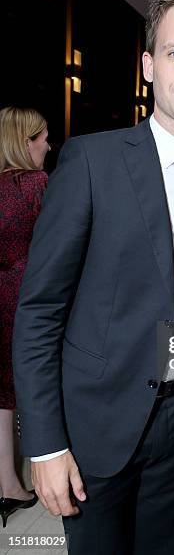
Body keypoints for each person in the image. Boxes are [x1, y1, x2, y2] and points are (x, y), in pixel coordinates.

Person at [12, 0, 174, 555]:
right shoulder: (91, 161)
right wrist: (44, 445)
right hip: (97, 424)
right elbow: (40, 311)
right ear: (148, 65)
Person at [0, 106, 50, 527]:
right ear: (25, 141)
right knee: (37, 384)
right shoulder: (35, 185)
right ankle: (51, 471)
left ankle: (7, 486)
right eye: (43, 138)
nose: (48, 146)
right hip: (26, 297)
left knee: (2, 398)